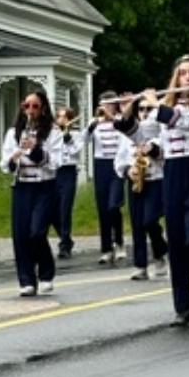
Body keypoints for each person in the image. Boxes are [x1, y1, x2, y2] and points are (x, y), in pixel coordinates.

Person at [117, 57, 189, 325]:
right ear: (175, 78)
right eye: (183, 73)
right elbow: (143, 137)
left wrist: (156, 105)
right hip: (171, 173)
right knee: (177, 243)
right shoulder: (164, 106)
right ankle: (183, 307)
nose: (187, 77)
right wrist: (126, 114)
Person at [1, 90, 62, 297]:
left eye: (35, 106)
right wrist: (14, 158)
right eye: (26, 106)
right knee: (21, 235)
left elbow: (56, 163)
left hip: (44, 185)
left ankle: (46, 272)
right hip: (22, 185)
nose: (30, 111)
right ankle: (26, 279)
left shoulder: (53, 132)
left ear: (43, 108)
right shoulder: (13, 133)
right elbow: (4, 163)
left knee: (37, 232)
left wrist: (36, 150)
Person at [115, 106, 169, 281]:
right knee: (137, 224)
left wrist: (151, 150)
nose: (145, 112)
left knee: (149, 220)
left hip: (157, 180)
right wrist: (128, 170)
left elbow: (166, 156)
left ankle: (160, 251)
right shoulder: (127, 136)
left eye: (149, 109)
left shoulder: (163, 131)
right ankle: (140, 266)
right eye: (141, 109)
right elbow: (120, 159)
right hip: (137, 182)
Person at [88, 94, 129, 265]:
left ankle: (119, 242)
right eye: (104, 105)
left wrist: (112, 118)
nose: (107, 108)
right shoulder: (94, 123)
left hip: (117, 165)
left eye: (110, 105)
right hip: (101, 165)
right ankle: (106, 249)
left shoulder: (120, 120)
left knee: (113, 206)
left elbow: (126, 138)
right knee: (103, 208)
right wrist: (93, 125)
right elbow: (84, 140)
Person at [50, 106, 84, 259]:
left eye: (64, 117)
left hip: (68, 173)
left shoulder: (76, 134)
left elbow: (76, 152)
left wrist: (67, 137)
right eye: (59, 116)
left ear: (69, 119)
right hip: (54, 173)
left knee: (65, 209)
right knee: (53, 211)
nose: (61, 119)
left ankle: (64, 245)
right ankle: (66, 239)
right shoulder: (52, 134)